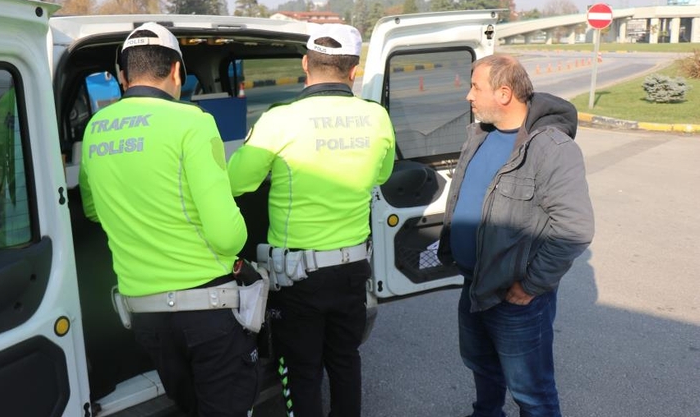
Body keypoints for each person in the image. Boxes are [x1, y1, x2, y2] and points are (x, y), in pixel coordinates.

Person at [78, 22, 259, 417]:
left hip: (145, 316)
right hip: (207, 310)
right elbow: (227, 237)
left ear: (122, 76)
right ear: (177, 71)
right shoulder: (192, 122)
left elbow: (93, 210)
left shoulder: (94, 130)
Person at [227, 23, 396, 417]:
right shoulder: (377, 118)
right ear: (353, 70)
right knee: (345, 359)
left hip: (297, 277)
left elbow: (237, 182)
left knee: (301, 369)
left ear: (306, 63)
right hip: (353, 268)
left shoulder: (280, 120)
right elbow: (382, 175)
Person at [437, 54, 595, 417]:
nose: (469, 96)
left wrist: (531, 285)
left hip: (515, 297)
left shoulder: (550, 147)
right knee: (483, 369)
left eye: (476, 87)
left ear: (504, 93)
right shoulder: (480, 134)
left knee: (532, 394)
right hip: (475, 283)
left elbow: (574, 227)